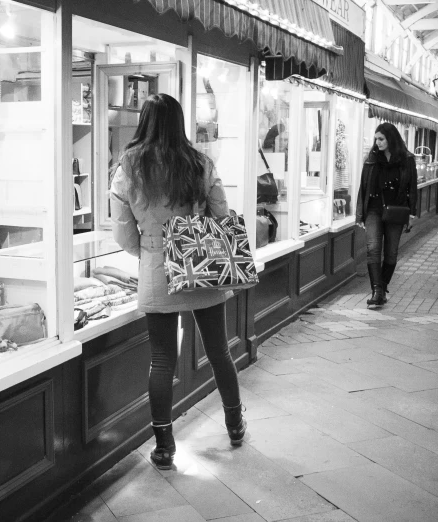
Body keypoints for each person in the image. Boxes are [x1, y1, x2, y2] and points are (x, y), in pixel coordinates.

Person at [109, 94, 246, 470]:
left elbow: (122, 233)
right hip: (199, 261)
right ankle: (234, 424)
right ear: (179, 122)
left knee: (162, 359)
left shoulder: (127, 168)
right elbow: (221, 212)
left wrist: (151, 249)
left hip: (156, 265)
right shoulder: (199, 162)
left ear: (144, 121)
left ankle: (165, 445)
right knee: (219, 351)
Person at [355, 122, 417, 306]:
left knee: (391, 252)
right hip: (374, 208)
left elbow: (412, 188)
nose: (378, 143)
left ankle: (382, 286)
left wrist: (411, 214)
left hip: (397, 209)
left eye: (381, 139)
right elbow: (363, 187)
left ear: (391, 139)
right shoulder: (372, 159)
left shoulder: (407, 159)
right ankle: (377, 291)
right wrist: (360, 215)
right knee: (373, 248)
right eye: (376, 139)